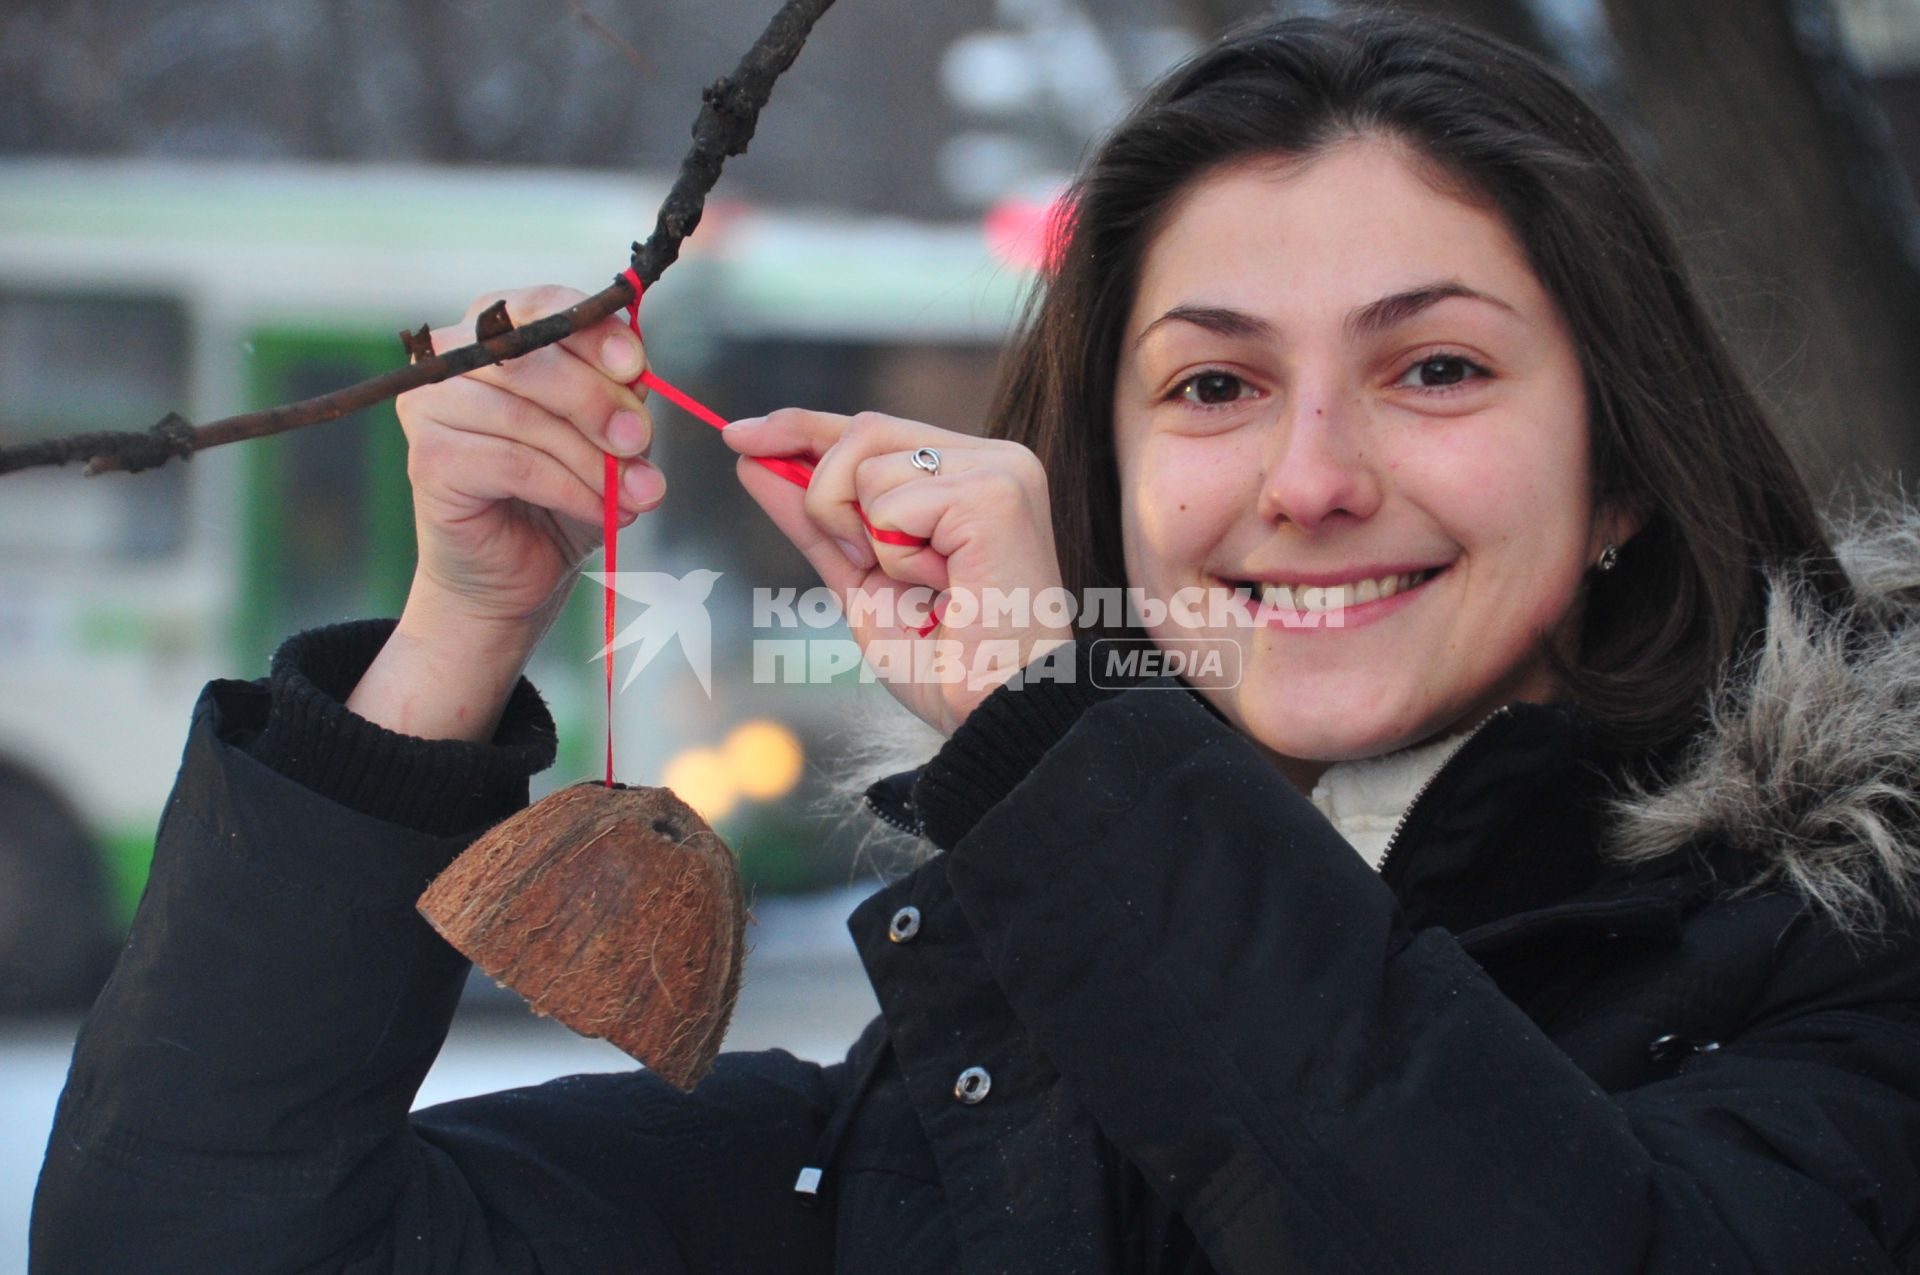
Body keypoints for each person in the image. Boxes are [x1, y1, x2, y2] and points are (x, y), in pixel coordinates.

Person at [32, 11, 1920, 1272]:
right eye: (1210, 384)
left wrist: (1060, 724)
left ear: (1621, 475)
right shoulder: (954, 1098)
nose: (1312, 476)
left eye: (1435, 368)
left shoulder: (1845, 979)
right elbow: (192, 1239)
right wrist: (463, 625)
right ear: (1104, 488)